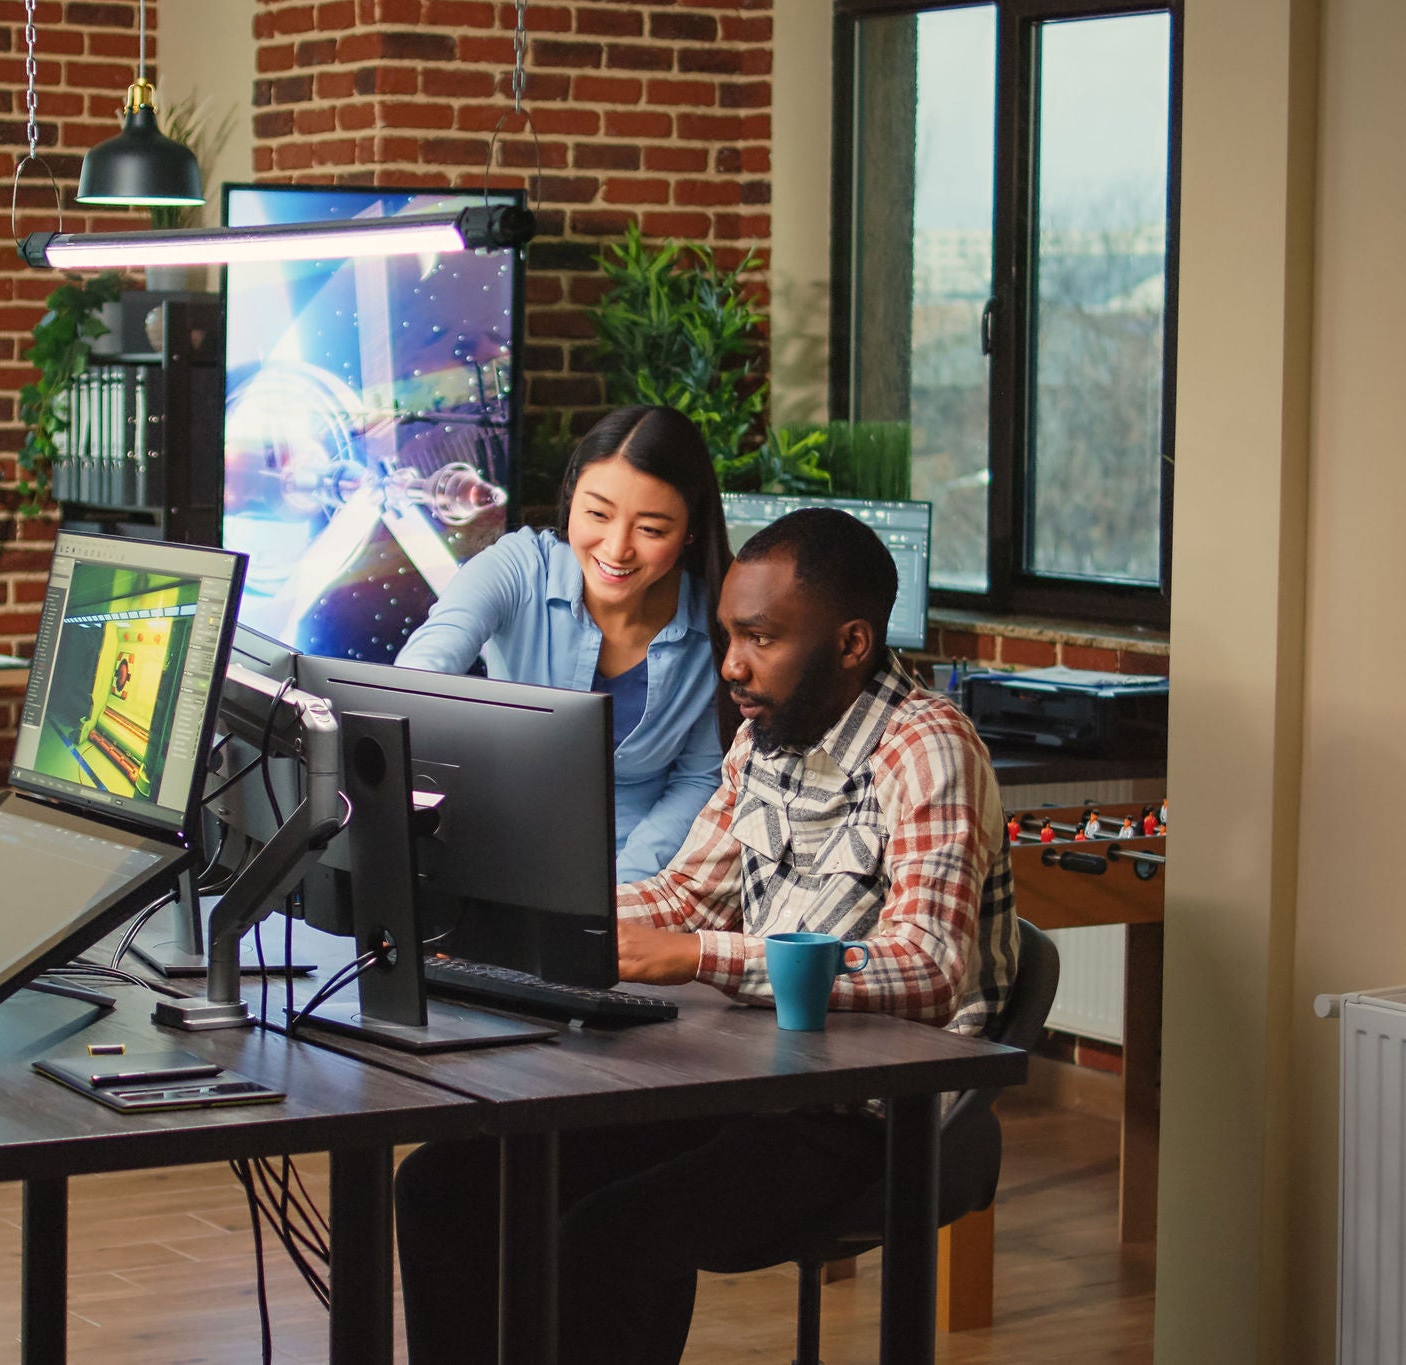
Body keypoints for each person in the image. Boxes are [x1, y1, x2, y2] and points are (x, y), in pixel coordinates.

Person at [395, 508, 1020, 1365]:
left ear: (851, 643)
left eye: (760, 638)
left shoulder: (928, 749)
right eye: (729, 634)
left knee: (617, 1230)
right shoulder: (768, 734)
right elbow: (684, 890)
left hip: (870, 1115)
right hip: (754, 1081)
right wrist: (523, 916)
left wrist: (694, 957)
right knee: (443, 1182)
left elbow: (929, 967)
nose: (732, 664)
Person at [395, 405, 730, 881]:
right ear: (571, 498)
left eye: (651, 529)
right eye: (597, 514)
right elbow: (418, 677)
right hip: (497, 854)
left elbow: (698, 779)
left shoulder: (715, 623)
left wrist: (622, 896)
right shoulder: (518, 567)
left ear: (691, 530)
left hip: (643, 875)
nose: (616, 549)